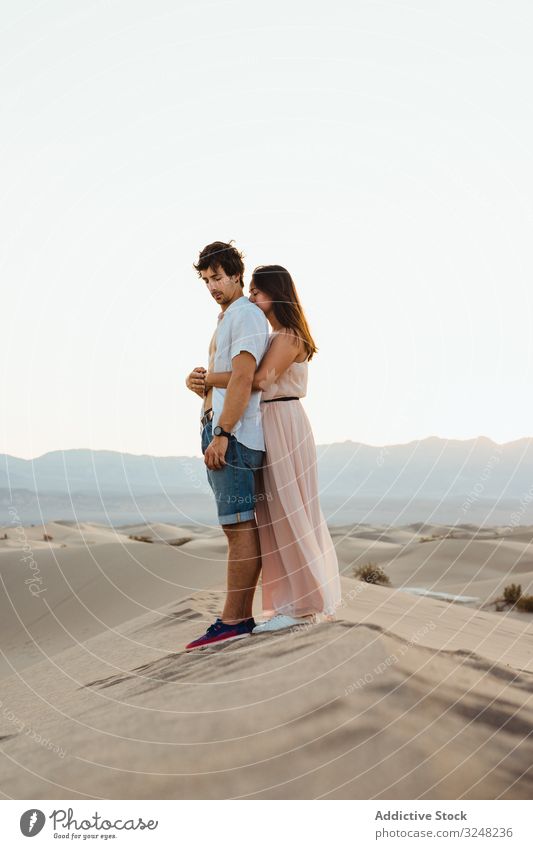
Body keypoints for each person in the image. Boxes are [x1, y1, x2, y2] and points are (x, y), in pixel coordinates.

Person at [201, 265, 342, 633]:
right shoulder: (276, 335)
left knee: (289, 512)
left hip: (281, 421)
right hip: (273, 422)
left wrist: (207, 378)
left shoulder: (288, 336)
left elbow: (260, 379)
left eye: (256, 292)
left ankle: (301, 607)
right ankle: (291, 603)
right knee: (275, 515)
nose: (251, 298)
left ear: (275, 294)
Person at [184, 241, 269, 650]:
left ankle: (235, 620)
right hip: (221, 428)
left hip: (231, 435)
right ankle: (236, 618)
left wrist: (222, 432)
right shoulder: (231, 316)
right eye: (206, 280)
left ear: (237, 275)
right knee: (234, 526)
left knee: (239, 526)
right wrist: (199, 385)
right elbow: (227, 377)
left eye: (217, 277)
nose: (212, 286)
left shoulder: (246, 315)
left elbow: (244, 377)